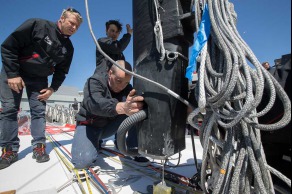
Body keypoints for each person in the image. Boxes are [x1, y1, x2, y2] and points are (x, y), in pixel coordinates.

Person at [0, 8, 83, 170]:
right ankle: (9, 149)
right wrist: (12, 74)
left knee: (38, 111)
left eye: (77, 26)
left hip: (38, 79)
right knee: (10, 109)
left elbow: (62, 71)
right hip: (14, 72)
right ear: (62, 19)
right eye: (71, 23)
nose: (73, 28)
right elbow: (8, 47)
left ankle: (39, 145)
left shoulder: (68, 48)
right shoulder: (37, 25)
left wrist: (53, 88)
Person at [71, 60, 150, 169]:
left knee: (136, 110)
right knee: (83, 162)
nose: (122, 86)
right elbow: (93, 104)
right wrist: (120, 107)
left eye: (126, 82)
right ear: (110, 73)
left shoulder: (128, 89)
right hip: (89, 125)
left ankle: (133, 148)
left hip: (109, 127)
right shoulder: (94, 82)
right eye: (118, 80)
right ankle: (94, 141)